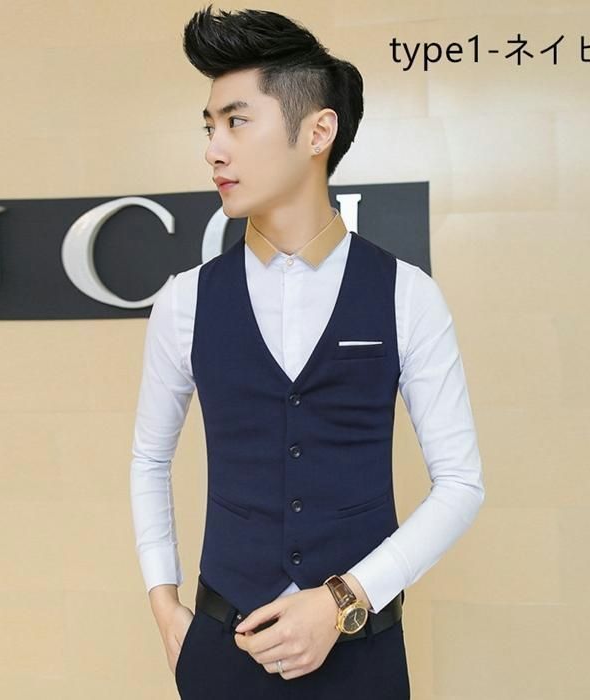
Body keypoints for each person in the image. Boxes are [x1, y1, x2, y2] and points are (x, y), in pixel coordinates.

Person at [129, 5, 485, 699]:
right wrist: (164, 606)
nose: (214, 150)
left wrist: (346, 597)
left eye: (237, 121)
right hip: (222, 651)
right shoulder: (185, 301)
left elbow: (461, 483)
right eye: (209, 127)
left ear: (318, 131)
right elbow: (149, 457)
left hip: (363, 656)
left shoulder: (406, 294)